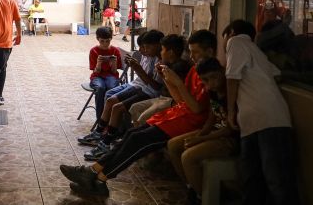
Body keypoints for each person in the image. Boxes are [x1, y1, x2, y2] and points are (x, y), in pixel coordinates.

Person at [60, 30, 215, 197]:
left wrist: (177, 82)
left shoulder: (211, 75)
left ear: (210, 51)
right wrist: (170, 82)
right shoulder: (194, 70)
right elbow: (180, 101)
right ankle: (96, 174)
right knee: (132, 133)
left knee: (138, 140)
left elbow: (197, 109)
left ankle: (97, 175)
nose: (191, 56)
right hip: (175, 116)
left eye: (196, 52)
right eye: (190, 52)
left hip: (187, 123)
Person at [223, 20, 299, 205]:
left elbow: (232, 77)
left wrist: (230, 111)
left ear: (231, 32)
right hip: (258, 122)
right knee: (255, 179)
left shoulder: (237, 41)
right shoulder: (258, 54)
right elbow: (277, 74)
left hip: (267, 121)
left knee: (275, 181)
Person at [79, 30, 165, 161]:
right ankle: (99, 133)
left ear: (159, 45)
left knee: (116, 106)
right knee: (110, 99)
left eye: (147, 47)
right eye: (143, 47)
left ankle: (106, 142)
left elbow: (155, 87)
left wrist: (138, 69)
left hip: (148, 92)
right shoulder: (149, 56)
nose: (144, 50)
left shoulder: (160, 61)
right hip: (140, 86)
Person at [167, 58, 238, 205]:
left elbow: (231, 129)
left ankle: (201, 197)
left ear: (222, 73)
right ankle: (191, 185)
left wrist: (201, 139)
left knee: (188, 157)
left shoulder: (231, 93)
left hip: (229, 139)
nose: (210, 84)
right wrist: (200, 134)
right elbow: (211, 118)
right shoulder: (212, 91)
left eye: (213, 78)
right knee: (173, 145)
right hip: (214, 131)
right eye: (205, 80)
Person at [129, 34, 191, 126]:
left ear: (170, 53)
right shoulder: (167, 65)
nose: (161, 53)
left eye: (162, 49)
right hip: (162, 98)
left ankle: (140, 135)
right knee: (134, 108)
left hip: (170, 101)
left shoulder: (179, 67)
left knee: (142, 118)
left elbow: (176, 95)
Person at [89, 26, 122, 121]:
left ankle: (110, 119)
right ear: (97, 39)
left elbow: (114, 72)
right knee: (100, 88)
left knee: (111, 89)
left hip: (111, 75)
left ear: (111, 39)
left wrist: (114, 63)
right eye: (102, 41)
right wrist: (98, 63)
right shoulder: (94, 51)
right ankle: (100, 119)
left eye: (107, 41)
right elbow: (95, 72)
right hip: (97, 76)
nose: (105, 44)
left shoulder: (115, 50)